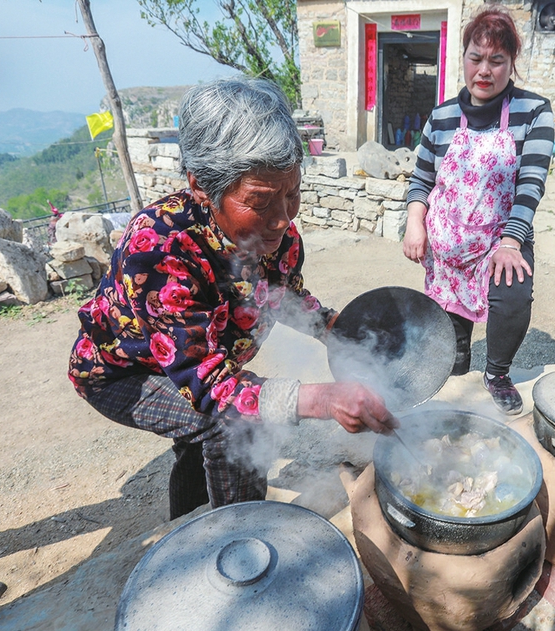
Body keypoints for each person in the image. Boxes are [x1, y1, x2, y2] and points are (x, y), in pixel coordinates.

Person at [68, 76, 397, 520]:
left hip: (202, 361)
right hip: (124, 371)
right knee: (235, 424)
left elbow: (279, 292)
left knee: (199, 434)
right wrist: (322, 398)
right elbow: (210, 385)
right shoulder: (159, 249)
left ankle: (189, 523)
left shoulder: (275, 235)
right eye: (260, 201)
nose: (282, 220)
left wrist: (332, 327)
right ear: (202, 184)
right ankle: (239, 537)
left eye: (293, 194)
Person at [402, 6, 555, 415]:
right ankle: (456, 379)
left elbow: (530, 184)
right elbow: (421, 182)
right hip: (449, 246)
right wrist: (414, 222)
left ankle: (497, 373)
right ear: (463, 58)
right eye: (476, 58)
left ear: (511, 65)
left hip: (500, 238)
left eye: (496, 60)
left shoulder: (534, 112)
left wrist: (511, 242)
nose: (484, 70)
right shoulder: (442, 116)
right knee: (451, 341)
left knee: (513, 299)